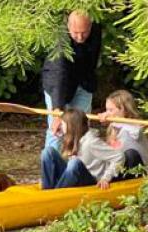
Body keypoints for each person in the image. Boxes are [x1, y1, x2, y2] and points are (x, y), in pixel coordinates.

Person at [41, 10, 102, 150]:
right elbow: (59, 75)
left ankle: (79, 166)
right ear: (68, 27)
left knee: (82, 128)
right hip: (58, 84)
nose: (80, 37)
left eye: (84, 32)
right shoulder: (60, 39)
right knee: (57, 130)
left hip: (84, 82)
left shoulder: (96, 27)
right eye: (75, 33)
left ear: (91, 26)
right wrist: (57, 113)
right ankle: (51, 165)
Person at [40, 109, 145, 190]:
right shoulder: (76, 137)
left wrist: (106, 177)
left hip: (92, 179)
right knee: (48, 152)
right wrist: (58, 134)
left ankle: (55, 195)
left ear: (71, 126)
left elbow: (119, 156)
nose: (61, 127)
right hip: (78, 174)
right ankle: (47, 190)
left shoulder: (91, 142)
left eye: (63, 124)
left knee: (75, 163)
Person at [102, 89, 148, 167]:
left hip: (141, 170)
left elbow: (135, 132)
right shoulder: (113, 127)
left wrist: (115, 123)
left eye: (111, 110)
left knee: (131, 154)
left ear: (124, 110)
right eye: (106, 109)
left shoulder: (135, 126)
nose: (107, 113)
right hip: (120, 169)